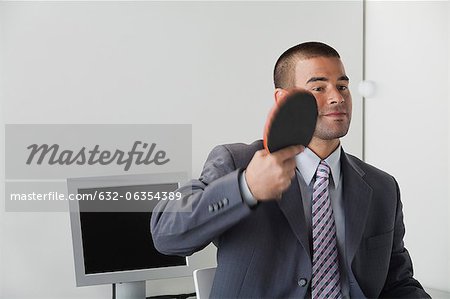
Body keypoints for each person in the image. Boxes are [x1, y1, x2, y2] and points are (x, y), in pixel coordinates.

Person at [151, 42, 430, 298]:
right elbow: (166, 235)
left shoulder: (382, 187)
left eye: (342, 86)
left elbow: (398, 284)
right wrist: (245, 188)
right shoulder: (236, 162)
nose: (337, 98)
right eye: (319, 88)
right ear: (283, 99)